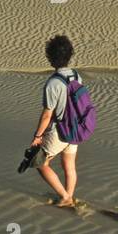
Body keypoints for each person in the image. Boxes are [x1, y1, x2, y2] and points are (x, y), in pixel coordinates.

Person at [31, 34, 79, 207]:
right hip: (75, 128)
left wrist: (38, 136)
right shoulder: (76, 75)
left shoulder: (53, 83)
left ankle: (65, 197)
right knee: (69, 166)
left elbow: (46, 115)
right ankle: (69, 196)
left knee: (40, 163)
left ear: (50, 57)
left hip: (59, 130)